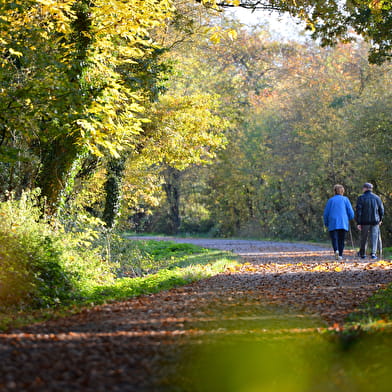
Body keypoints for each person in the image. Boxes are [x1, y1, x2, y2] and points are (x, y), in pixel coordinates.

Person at [323, 184, 355, 260]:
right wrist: (350, 218)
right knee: (341, 239)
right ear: (342, 191)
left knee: (334, 238)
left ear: (334, 191)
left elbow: (326, 213)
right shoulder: (345, 199)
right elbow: (351, 212)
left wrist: (326, 223)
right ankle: (340, 254)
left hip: (333, 222)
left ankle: (336, 250)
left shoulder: (331, 200)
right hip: (343, 222)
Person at [356, 182, 384, 259]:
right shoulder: (377, 198)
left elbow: (359, 211)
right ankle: (373, 254)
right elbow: (381, 210)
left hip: (364, 221)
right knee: (374, 237)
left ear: (365, 188)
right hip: (375, 221)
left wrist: (358, 222)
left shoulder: (361, 198)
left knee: (364, 237)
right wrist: (380, 219)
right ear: (371, 189)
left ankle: (363, 254)